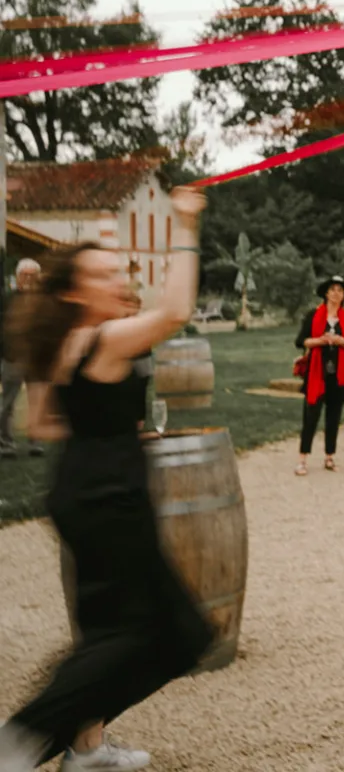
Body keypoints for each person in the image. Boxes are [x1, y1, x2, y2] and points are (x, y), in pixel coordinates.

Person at [0, 188, 213, 772]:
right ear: (73, 292)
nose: (117, 280)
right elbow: (173, 313)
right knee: (155, 633)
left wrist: (107, 430)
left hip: (83, 491)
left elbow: (43, 423)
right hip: (110, 499)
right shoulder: (102, 339)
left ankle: (78, 745)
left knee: (146, 634)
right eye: (102, 274)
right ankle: (20, 738)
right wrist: (186, 226)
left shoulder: (59, 345)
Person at [294, 275, 344, 476]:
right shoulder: (314, 315)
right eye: (333, 289)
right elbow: (301, 341)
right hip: (316, 372)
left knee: (333, 416)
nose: (337, 293)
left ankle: (330, 456)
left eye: (340, 290)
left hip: (337, 374)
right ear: (326, 293)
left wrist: (340, 341)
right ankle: (303, 458)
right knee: (311, 415)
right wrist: (321, 340)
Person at [1, 259, 45, 459]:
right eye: (24, 275)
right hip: (12, 357)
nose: (28, 279)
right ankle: (6, 443)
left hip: (37, 359)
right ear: (18, 278)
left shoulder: (44, 303)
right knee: (7, 403)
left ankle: (36, 441)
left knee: (37, 402)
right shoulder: (6, 300)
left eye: (32, 275)